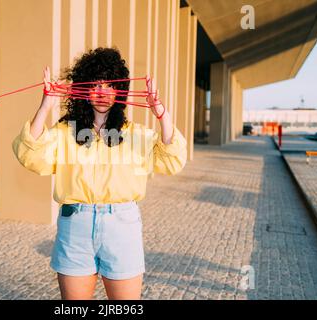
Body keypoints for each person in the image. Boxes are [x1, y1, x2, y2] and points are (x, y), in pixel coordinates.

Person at [12, 47, 187, 300]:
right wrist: (46, 106)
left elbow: (172, 160)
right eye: (95, 85)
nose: (102, 93)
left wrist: (162, 115)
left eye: (109, 85)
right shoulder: (64, 131)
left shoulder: (136, 134)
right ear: (83, 90)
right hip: (75, 226)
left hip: (122, 227)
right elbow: (30, 155)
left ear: (120, 91)